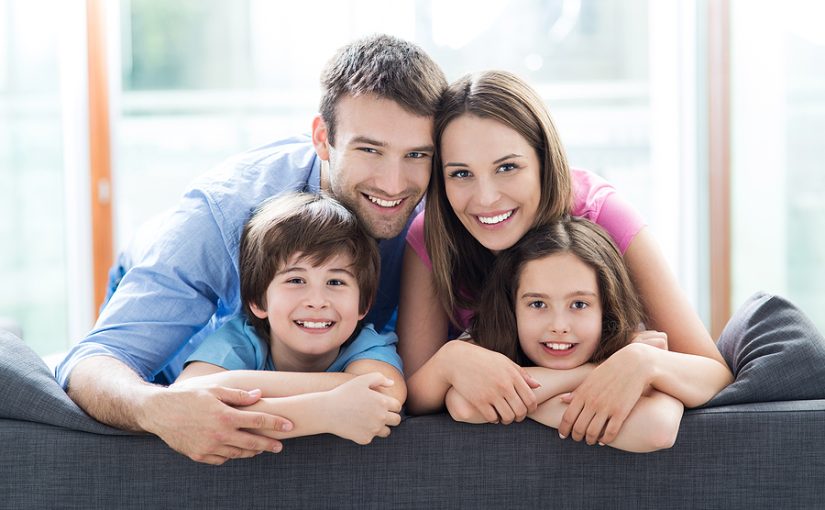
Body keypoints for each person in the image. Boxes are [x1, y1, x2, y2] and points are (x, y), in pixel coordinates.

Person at [56, 34, 447, 465]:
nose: (394, 184)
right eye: (369, 149)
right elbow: (92, 363)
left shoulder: (440, 201)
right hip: (190, 321)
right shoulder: (225, 212)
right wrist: (158, 408)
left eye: (416, 154)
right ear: (323, 138)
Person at [398, 70, 732, 447]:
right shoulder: (432, 235)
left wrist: (643, 362)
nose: (486, 197)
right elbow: (415, 398)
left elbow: (714, 373)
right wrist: (450, 360)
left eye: (507, 167)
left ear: (543, 160)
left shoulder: (601, 213)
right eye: (461, 174)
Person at [172, 192, 404, 445]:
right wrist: (326, 412)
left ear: (363, 304)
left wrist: (229, 385)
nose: (317, 300)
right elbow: (186, 398)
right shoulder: (240, 340)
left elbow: (385, 395)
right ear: (259, 300)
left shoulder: (368, 345)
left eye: (335, 281)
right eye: (296, 280)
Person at [445, 218, 683, 452]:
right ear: (512, 308)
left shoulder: (636, 353)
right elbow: (463, 404)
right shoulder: (488, 346)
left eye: (579, 305)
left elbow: (659, 428)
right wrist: (598, 371)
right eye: (538, 304)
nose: (559, 326)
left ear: (606, 310)